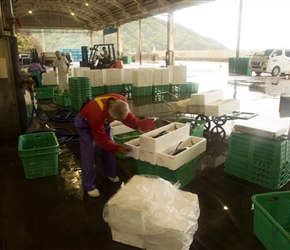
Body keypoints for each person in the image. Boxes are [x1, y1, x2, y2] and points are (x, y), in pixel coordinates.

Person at [74, 93, 155, 198]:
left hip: (104, 121)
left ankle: (110, 173)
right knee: (88, 152)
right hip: (85, 123)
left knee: (109, 146)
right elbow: (101, 140)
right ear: (110, 114)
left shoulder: (122, 101)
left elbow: (129, 118)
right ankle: (89, 185)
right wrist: (117, 147)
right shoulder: (96, 113)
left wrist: (142, 125)